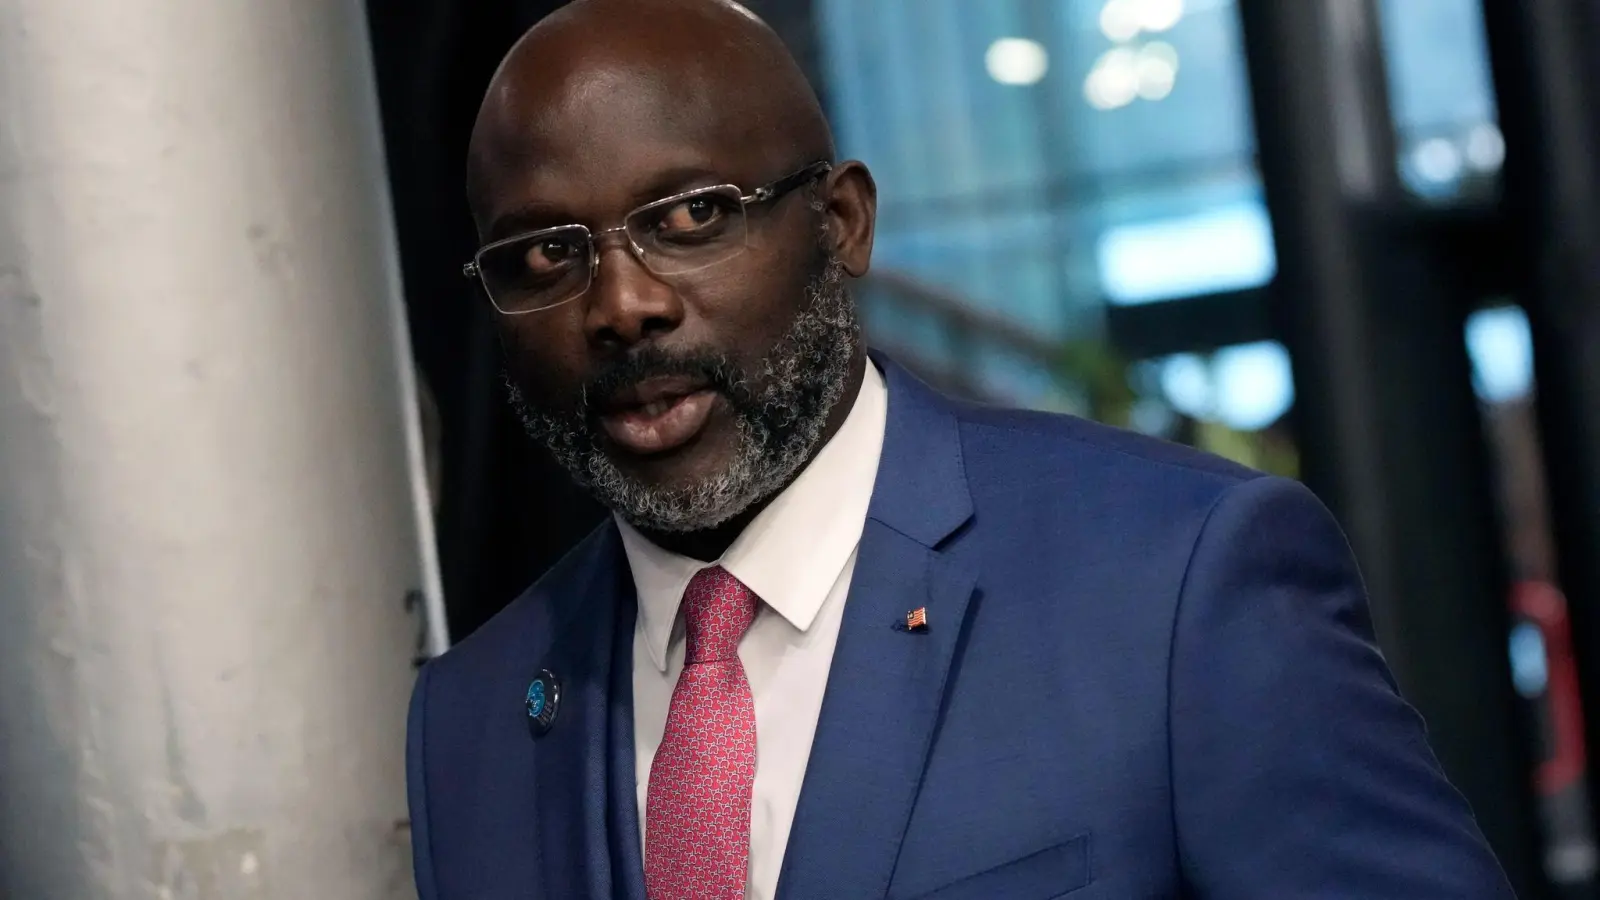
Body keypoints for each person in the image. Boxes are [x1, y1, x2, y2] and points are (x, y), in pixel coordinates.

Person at [405, 1, 1517, 897]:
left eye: (692, 216)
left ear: (841, 225)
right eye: (547, 255)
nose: (622, 304)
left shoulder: (1171, 584)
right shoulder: (472, 719)